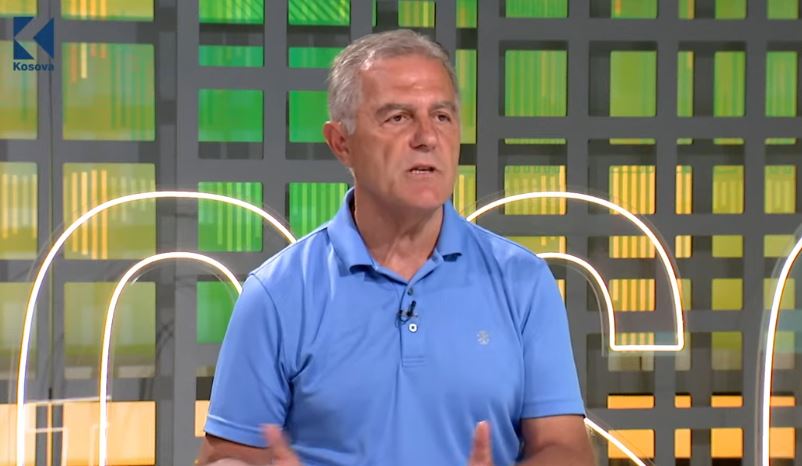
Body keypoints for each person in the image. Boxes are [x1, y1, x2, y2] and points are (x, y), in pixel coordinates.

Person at [197, 29, 594, 466]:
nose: (427, 137)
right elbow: (226, 456)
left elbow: (565, 448)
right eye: (398, 117)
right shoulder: (278, 292)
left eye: (441, 116)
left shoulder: (522, 280)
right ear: (341, 143)